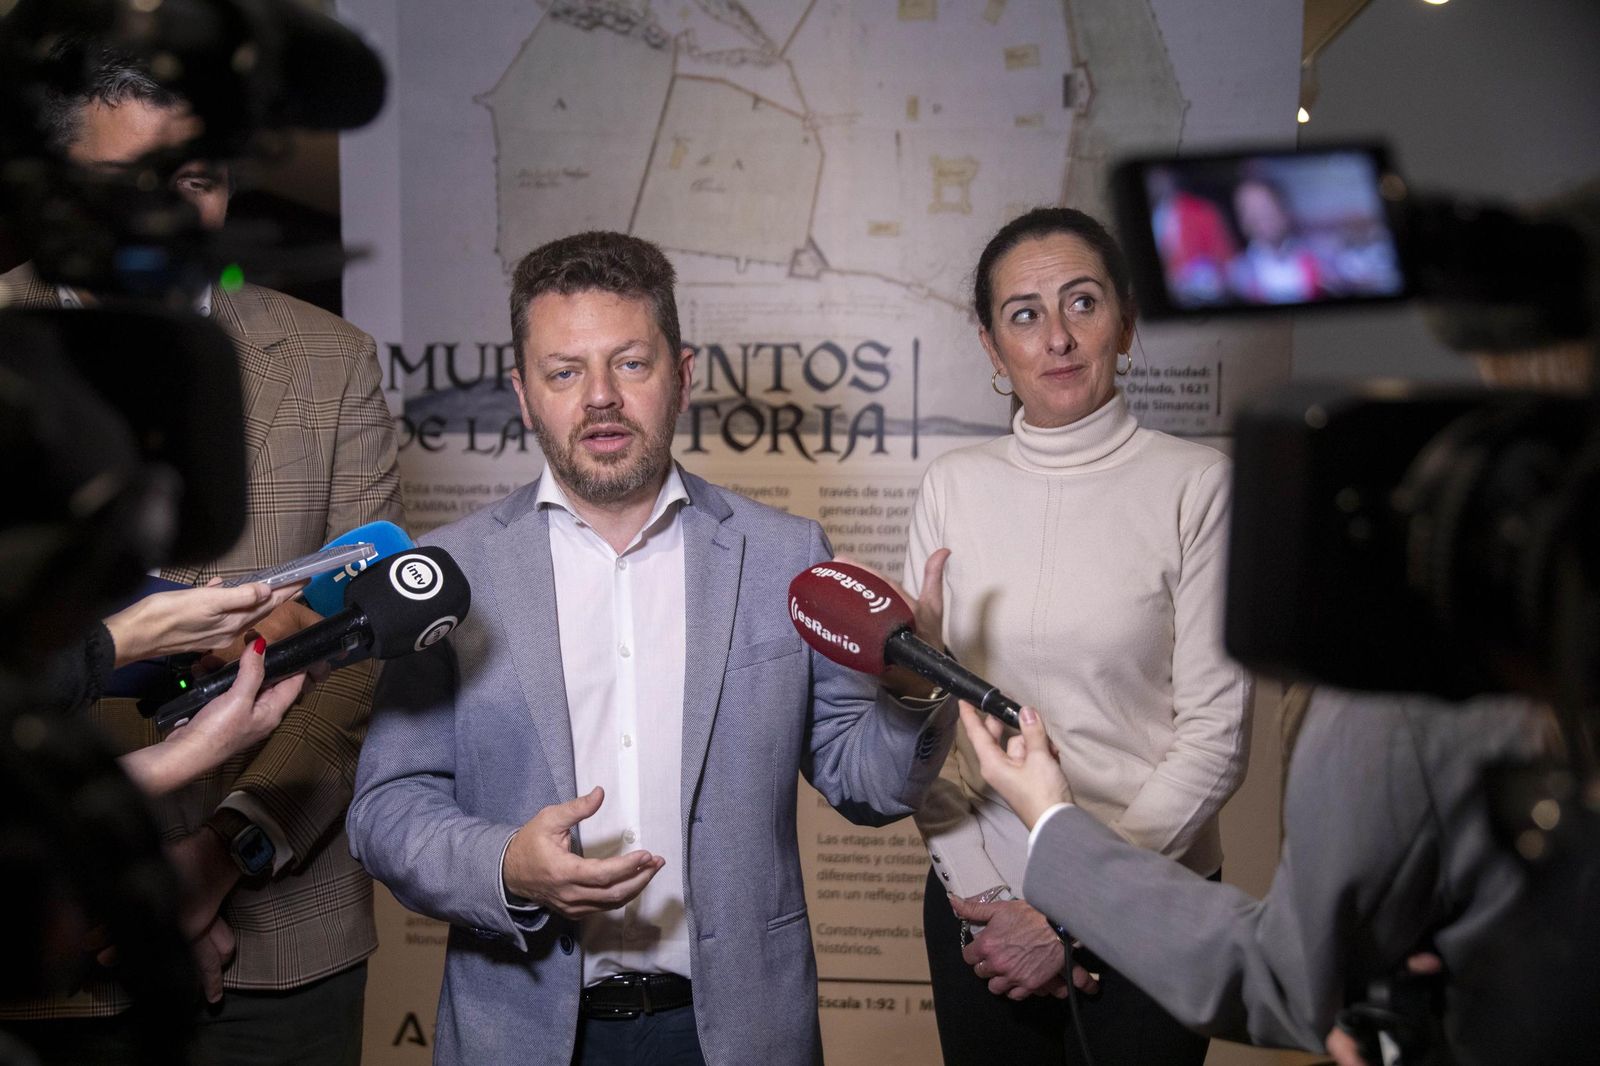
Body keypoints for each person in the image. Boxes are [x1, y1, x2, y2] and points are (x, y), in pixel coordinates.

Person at [347, 230, 955, 1066]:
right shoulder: (450, 574)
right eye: (565, 372)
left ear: (683, 375)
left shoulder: (784, 554)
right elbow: (387, 810)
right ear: (525, 394)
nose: (599, 398)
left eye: (629, 364)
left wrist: (914, 686)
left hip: (738, 1033)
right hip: (522, 1032)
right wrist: (507, 865)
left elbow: (867, 785)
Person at [0, 47, 404, 1066]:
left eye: (195, 180)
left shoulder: (329, 361)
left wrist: (221, 855)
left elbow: (360, 653)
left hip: (284, 941)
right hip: (45, 943)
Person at [903, 206, 1252, 1065]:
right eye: (1024, 315)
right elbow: (926, 725)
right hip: (978, 908)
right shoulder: (952, 485)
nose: (1056, 337)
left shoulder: (1199, 486)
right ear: (992, 347)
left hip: (1149, 903)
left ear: (1125, 322)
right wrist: (993, 901)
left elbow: (1216, 738)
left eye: (1082, 303)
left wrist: (1068, 911)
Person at [1226, 176, 1323, 304]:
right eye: (1250, 210)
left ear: (1283, 209)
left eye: (1265, 206)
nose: (1260, 217)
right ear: (1242, 221)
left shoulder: (1321, 258)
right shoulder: (1235, 274)